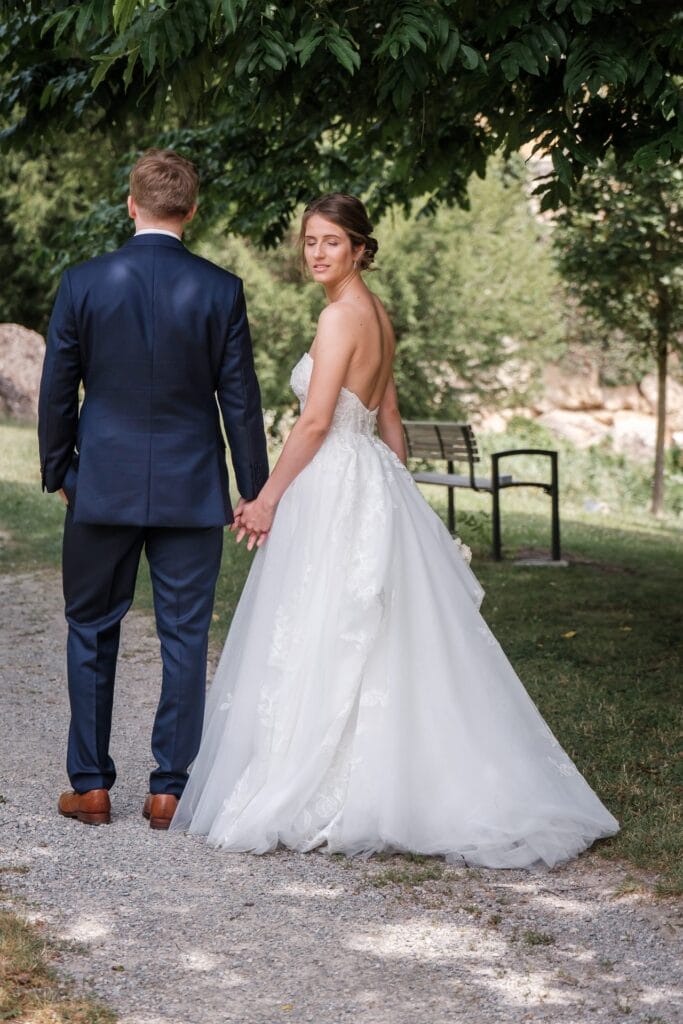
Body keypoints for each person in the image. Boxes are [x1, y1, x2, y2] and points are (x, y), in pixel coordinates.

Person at [171, 193, 618, 868]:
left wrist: (264, 498)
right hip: (369, 479)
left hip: (333, 478)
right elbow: (389, 420)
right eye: (309, 242)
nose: (316, 253)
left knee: (329, 621)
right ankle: (374, 773)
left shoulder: (337, 320)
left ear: (358, 248)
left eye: (330, 242)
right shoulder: (377, 314)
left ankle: (324, 781)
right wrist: (394, 493)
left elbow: (316, 423)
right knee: (369, 627)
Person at [38, 149, 269, 830]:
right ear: (192, 212)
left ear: (130, 204)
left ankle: (91, 787)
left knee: (90, 630)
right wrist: (253, 490)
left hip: (99, 487)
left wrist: (62, 471)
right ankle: (168, 789)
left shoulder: (84, 282)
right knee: (184, 639)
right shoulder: (220, 289)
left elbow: (56, 388)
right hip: (191, 489)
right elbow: (241, 403)